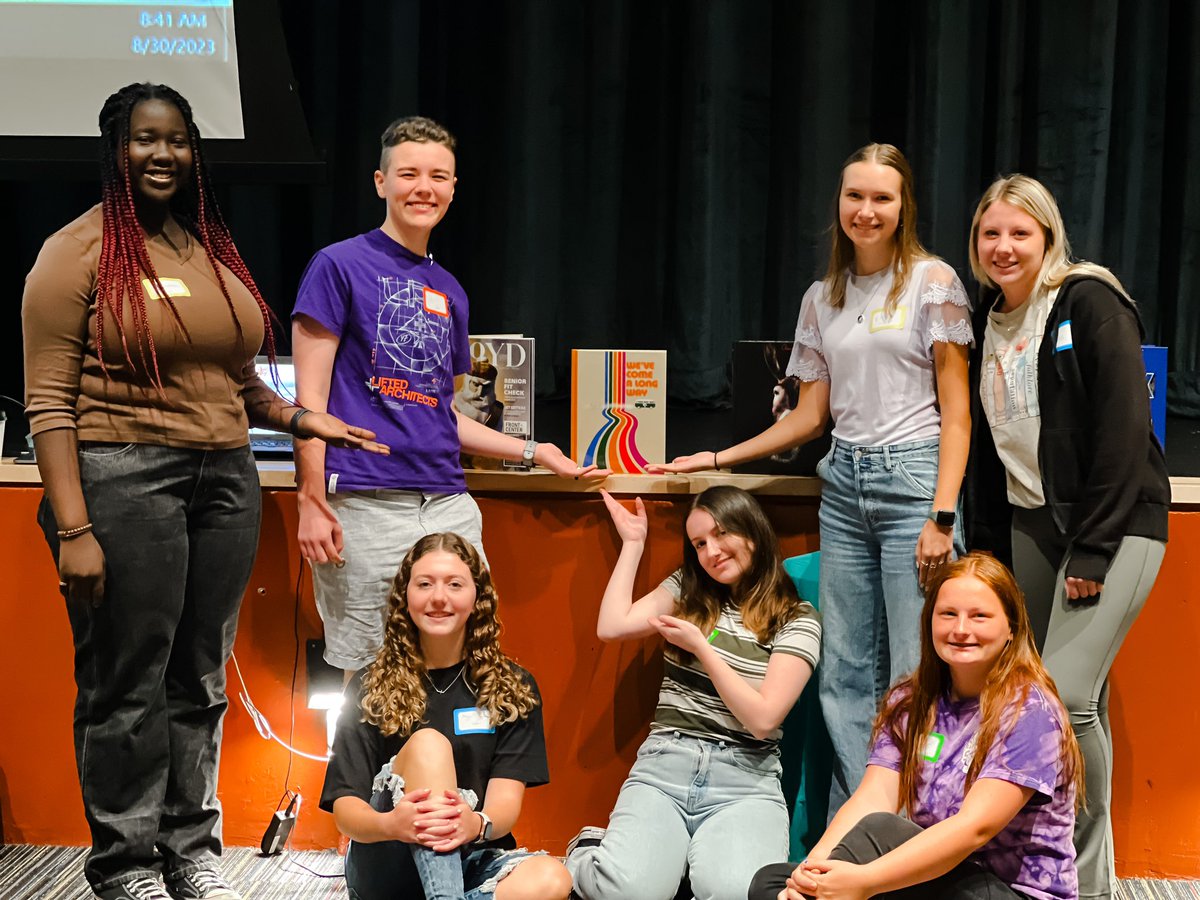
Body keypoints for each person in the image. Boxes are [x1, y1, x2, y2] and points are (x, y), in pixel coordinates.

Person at [20, 83, 387, 900]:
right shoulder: (73, 253)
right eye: (145, 140)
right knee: (129, 681)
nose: (163, 155)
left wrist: (303, 419)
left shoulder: (206, 250)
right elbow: (48, 402)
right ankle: (125, 865)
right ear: (116, 148)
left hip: (225, 477)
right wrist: (74, 528)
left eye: (179, 141)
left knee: (202, 678)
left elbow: (238, 382)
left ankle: (191, 852)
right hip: (123, 476)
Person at [653, 144, 973, 812]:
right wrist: (715, 458)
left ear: (903, 206)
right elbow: (808, 418)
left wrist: (942, 516)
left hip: (914, 482)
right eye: (855, 196)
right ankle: (862, 820)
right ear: (839, 204)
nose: (866, 210)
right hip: (846, 487)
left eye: (882, 198)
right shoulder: (822, 297)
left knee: (918, 671)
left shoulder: (934, 282)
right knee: (845, 674)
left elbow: (958, 414)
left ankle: (918, 818)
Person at [291, 114, 603, 679]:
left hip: (448, 503)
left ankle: (441, 772)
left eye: (438, 176)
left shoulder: (450, 290)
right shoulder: (337, 265)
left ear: (453, 189)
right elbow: (307, 405)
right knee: (369, 676)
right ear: (380, 182)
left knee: (457, 670)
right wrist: (310, 500)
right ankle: (370, 774)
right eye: (408, 173)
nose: (423, 188)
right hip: (366, 502)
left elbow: (442, 416)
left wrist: (534, 451)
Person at [966, 174, 1169, 900]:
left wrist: (1092, 547)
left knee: (1064, 697)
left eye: (1021, 232)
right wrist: (986, 553)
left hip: (1114, 526)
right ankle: (1093, 878)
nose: (1004, 247)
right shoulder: (986, 320)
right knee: (1067, 697)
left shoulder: (1088, 299)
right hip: (1031, 525)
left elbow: (1123, 431)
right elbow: (993, 454)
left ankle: (1073, 879)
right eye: (991, 233)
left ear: (1049, 238)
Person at [749, 552, 1084, 900]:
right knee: (772, 883)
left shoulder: (1030, 711)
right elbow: (874, 796)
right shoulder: (911, 699)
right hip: (936, 876)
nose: (961, 629)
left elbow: (974, 829)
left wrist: (863, 882)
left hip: (1009, 891)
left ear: (1011, 628)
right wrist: (811, 873)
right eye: (948, 614)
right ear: (930, 622)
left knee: (879, 833)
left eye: (980, 616)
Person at [565, 486, 822, 900]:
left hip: (746, 778)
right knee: (629, 893)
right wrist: (633, 544)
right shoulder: (689, 586)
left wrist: (702, 646)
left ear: (752, 531)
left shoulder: (797, 618)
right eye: (699, 543)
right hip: (666, 762)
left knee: (737, 892)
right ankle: (594, 853)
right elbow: (612, 626)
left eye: (721, 535)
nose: (711, 552)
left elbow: (762, 719)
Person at [320, 532, 572, 900]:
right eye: (424, 584)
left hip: (474, 855)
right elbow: (346, 810)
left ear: (477, 598)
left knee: (551, 879)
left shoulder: (512, 687)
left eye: (455, 584)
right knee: (429, 745)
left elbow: (504, 805)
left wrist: (475, 823)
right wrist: (392, 823)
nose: (439, 597)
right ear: (406, 596)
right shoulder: (370, 685)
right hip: (388, 857)